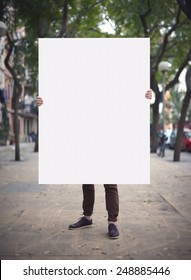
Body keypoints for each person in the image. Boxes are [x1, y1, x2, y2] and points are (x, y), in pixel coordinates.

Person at [36, 89, 153, 239]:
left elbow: (127, 97)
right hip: (87, 135)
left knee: (110, 183)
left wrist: (145, 98)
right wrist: (45, 103)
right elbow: (66, 100)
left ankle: (112, 222)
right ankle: (87, 217)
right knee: (87, 180)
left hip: (108, 136)